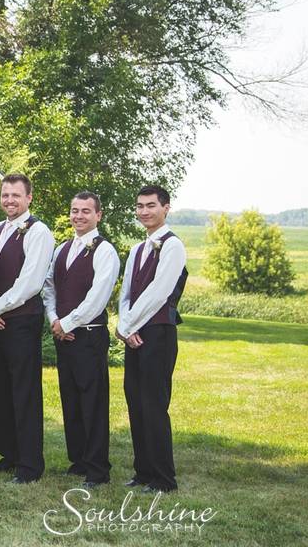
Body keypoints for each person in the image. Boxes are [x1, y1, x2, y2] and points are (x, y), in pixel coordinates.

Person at [42, 192, 120, 487]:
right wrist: (53, 320)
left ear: (98, 215)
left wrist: (68, 322)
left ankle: (98, 470)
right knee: (71, 400)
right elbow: (49, 287)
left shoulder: (104, 251)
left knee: (93, 402)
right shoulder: (63, 248)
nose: (78, 216)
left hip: (88, 335)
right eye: (75, 211)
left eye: (86, 211)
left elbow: (97, 297)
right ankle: (79, 460)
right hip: (64, 334)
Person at [0, 173, 55, 483]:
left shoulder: (39, 232)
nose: (9, 200)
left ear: (29, 198)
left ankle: (29, 464)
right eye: (5, 194)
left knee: (24, 392)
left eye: (15, 195)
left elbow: (30, 282)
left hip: (22, 320)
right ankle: (9, 453)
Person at [117, 184, 188, 493]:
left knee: (154, 405)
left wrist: (129, 324)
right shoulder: (138, 248)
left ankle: (163, 478)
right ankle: (143, 472)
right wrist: (124, 324)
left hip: (158, 333)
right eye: (140, 206)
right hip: (134, 332)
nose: (144, 211)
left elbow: (159, 293)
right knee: (136, 403)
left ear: (166, 208)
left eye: (151, 205)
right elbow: (127, 293)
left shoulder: (173, 246)